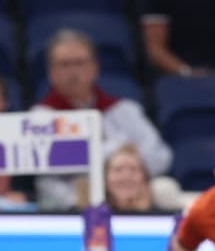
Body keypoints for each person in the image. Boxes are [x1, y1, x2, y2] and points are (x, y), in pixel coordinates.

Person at [33, 29, 172, 210]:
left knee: (166, 188)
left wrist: (124, 175)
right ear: (51, 72)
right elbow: (47, 174)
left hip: (132, 199)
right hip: (73, 205)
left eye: (80, 63)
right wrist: (118, 151)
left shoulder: (124, 110)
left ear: (94, 67)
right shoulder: (39, 119)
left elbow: (161, 157)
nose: (73, 71)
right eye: (64, 65)